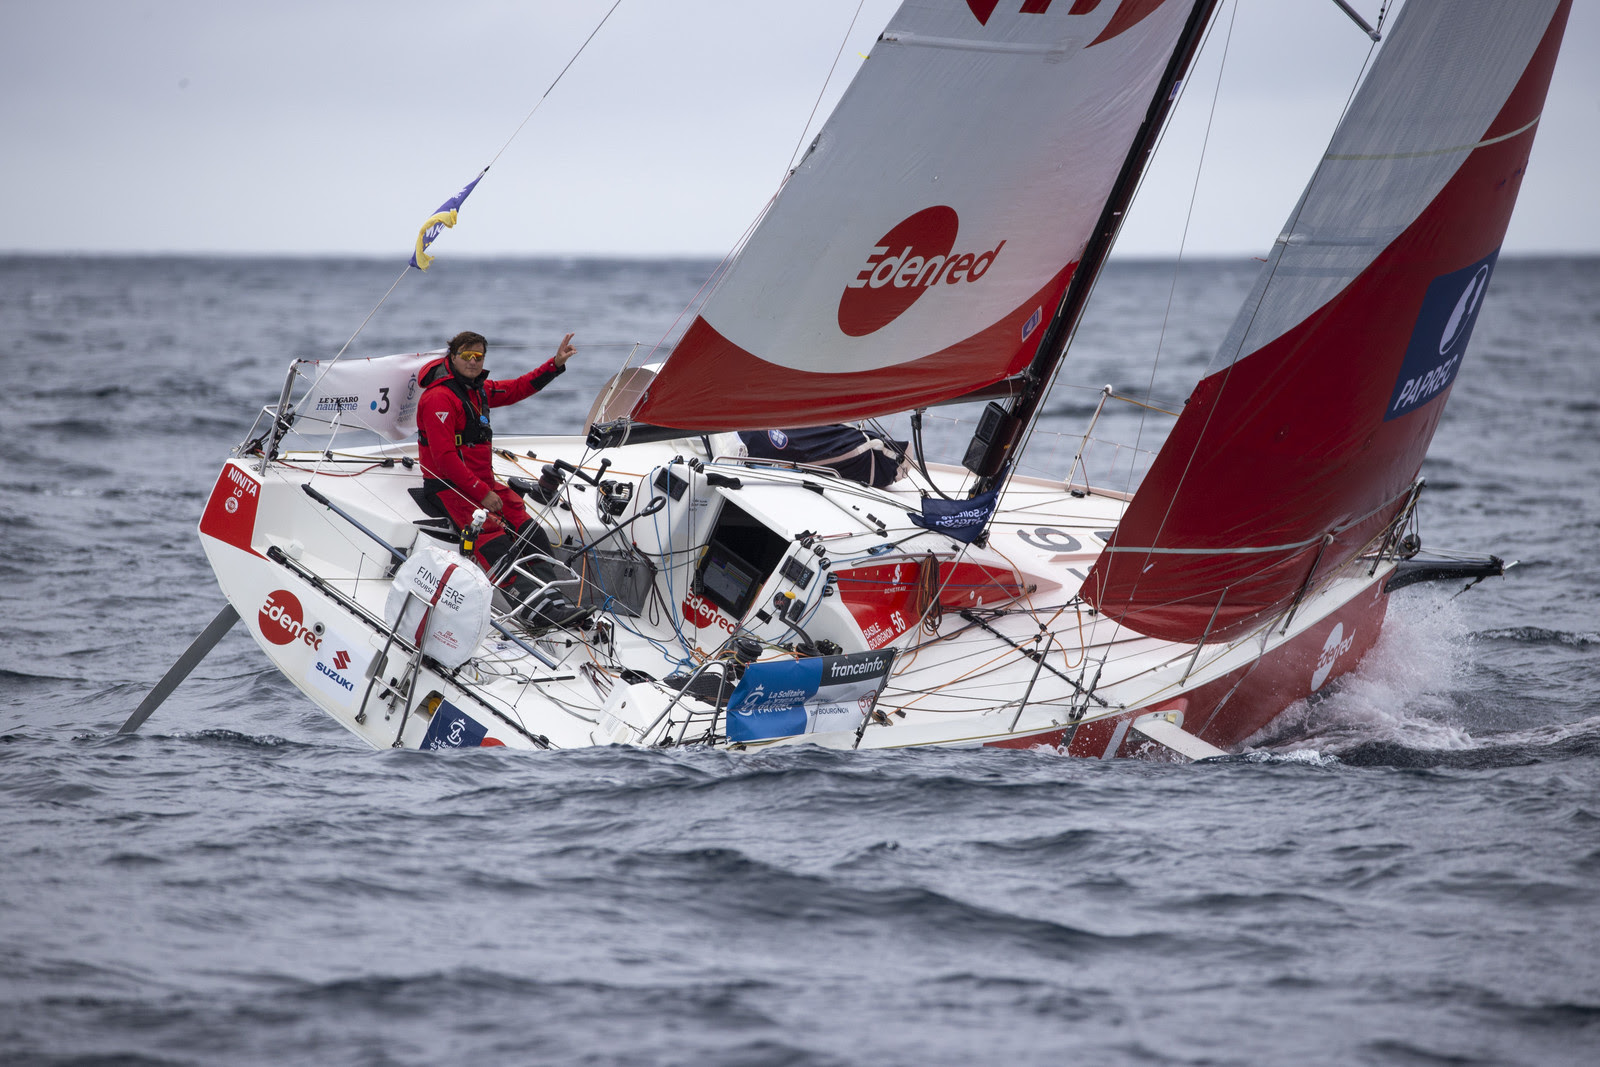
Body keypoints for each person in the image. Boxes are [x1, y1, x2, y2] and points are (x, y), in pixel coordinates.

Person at [416, 329, 577, 578]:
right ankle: (536, 608)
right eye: (467, 355)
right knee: (493, 540)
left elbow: (517, 388)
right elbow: (444, 458)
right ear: (453, 357)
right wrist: (483, 493)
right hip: (450, 487)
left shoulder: (478, 391)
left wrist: (554, 365)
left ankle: (554, 596)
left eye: (478, 357)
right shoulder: (439, 398)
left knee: (530, 531)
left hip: (482, 483)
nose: (473, 361)